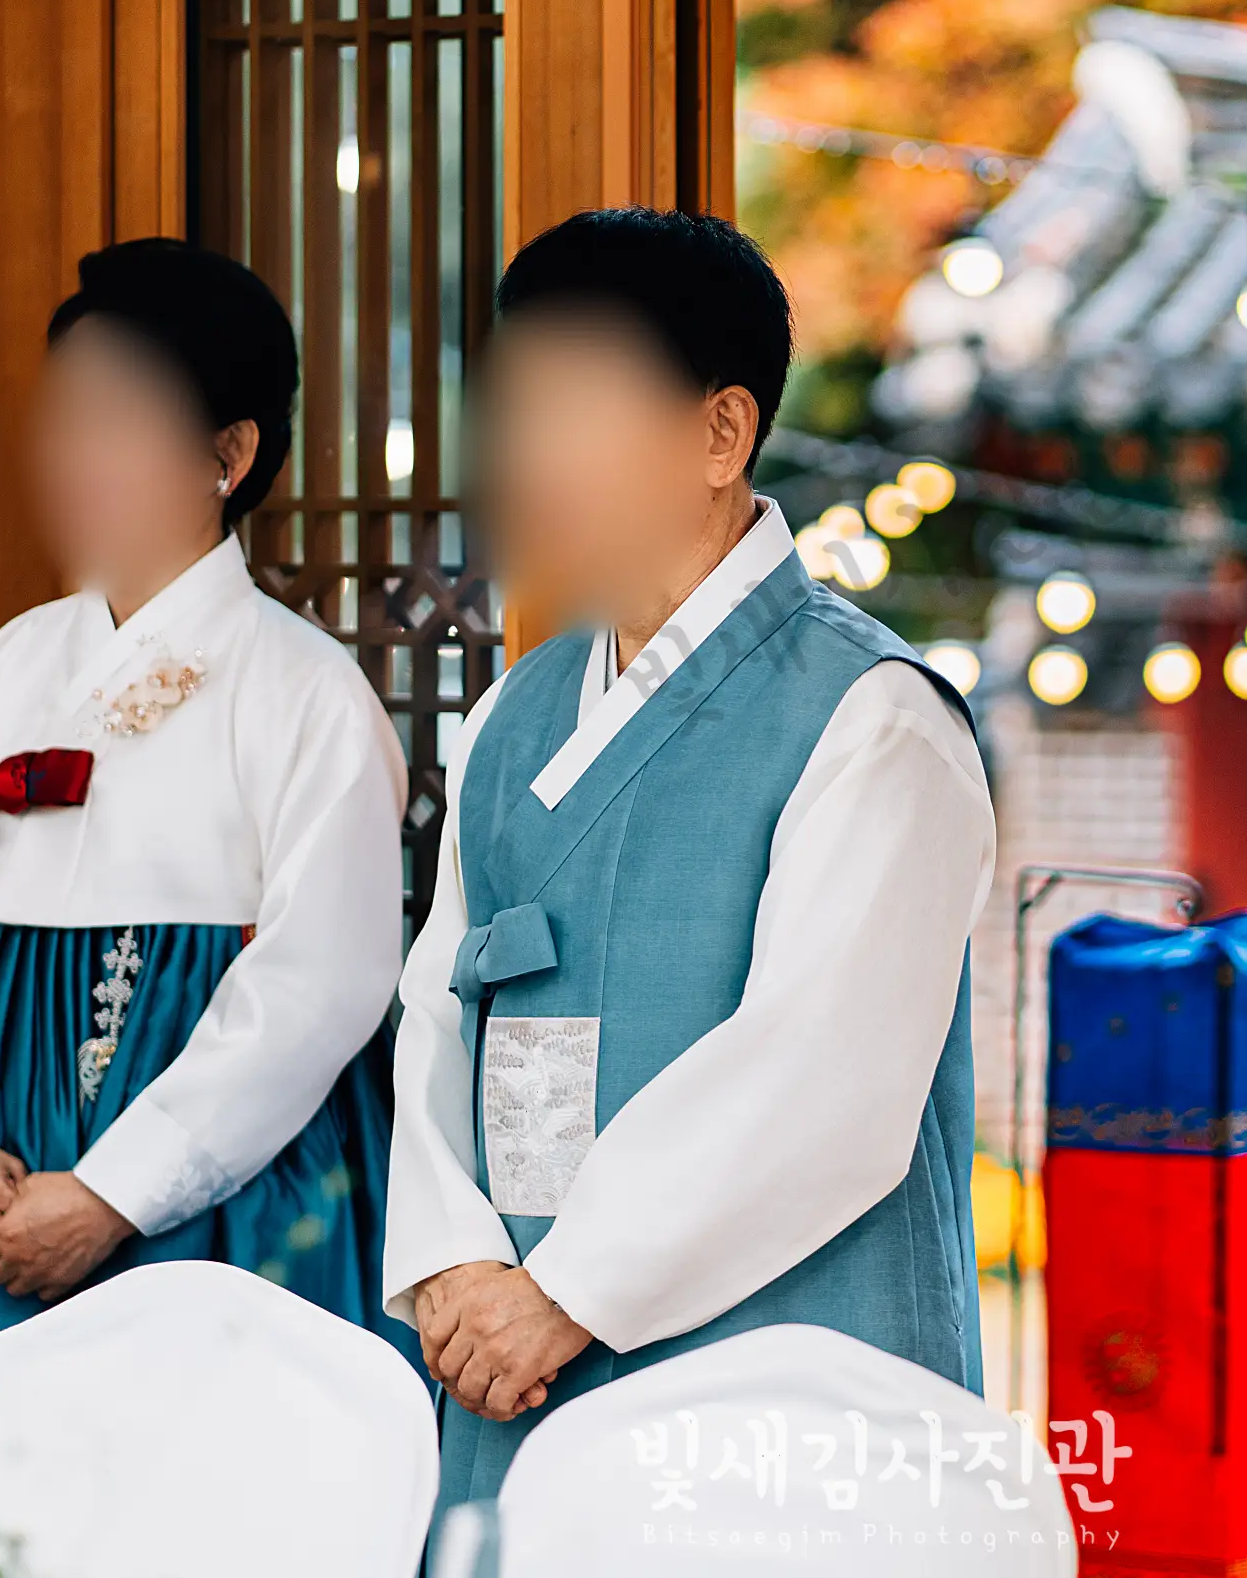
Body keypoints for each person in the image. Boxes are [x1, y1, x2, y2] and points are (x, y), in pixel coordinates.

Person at [0, 238, 415, 1566]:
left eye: (120, 417)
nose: (76, 452)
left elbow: (317, 987)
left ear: (228, 453)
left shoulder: (305, 696)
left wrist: (115, 1194)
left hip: (224, 1191)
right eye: (66, 415)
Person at [384, 207, 996, 1506]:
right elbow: (435, 1016)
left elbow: (823, 1085)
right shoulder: (509, 720)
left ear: (721, 433)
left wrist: (567, 1292)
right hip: (513, 1364)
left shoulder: (872, 716)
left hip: (779, 1391)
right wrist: (451, 1263)